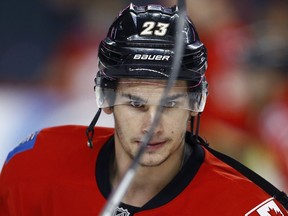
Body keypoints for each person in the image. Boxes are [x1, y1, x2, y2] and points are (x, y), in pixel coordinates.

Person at [0, 3, 287, 216]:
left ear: (196, 103)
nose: (153, 125)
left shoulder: (249, 208)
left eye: (170, 104)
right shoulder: (34, 168)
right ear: (105, 97)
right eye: (136, 103)